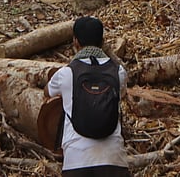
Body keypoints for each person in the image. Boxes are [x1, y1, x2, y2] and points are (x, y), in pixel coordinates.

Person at [46, 16, 130, 177]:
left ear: (75, 41)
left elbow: (47, 92)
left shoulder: (66, 73)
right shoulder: (118, 72)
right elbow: (121, 95)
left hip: (76, 161)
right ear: (102, 41)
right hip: (114, 161)